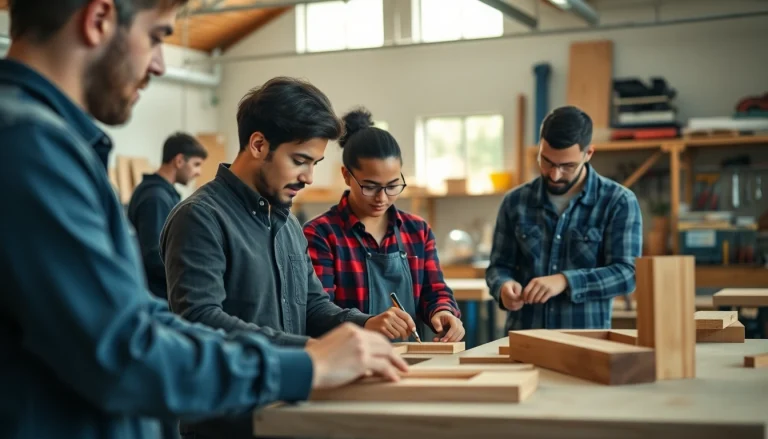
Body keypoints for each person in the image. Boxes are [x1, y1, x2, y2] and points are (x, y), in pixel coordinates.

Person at [0, 1, 408, 439]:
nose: (159, 65)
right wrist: (306, 361)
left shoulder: (52, 143)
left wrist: (349, 334)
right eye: (157, 36)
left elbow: (139, 321)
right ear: (98, 19)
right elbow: (126, 350)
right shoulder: (29, 145)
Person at [159, 78, 414, 438]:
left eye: (315, 163)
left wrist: (364, 324)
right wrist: (314, 352)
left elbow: (311, 305)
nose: (309, 177)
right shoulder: (200, 217)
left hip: (289, 415)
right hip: (228, 424)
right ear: (259, 144)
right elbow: (201, 320)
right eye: (300, 161)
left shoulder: (288, 222)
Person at [303, 108, 465, 343]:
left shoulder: (417, 232)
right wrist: (366, 322)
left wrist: (443, 311)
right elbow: (317, 313)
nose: (382, 198)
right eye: (370, 186)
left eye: (392, 186)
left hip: (411, 363)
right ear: (347, 176)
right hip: (349, 363)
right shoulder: (321, 234)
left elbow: (434, 290)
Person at [486, 106, 642, 330]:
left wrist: (566, 281)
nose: (554, 174)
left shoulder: (618, 202)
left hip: (585, 344)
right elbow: (498, 266)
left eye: (567, 166)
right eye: (546, 161)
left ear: (588, 154)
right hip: (525, 340)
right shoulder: (515, 202)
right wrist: (503, 286)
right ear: (540, 148)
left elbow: (627, 274)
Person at [128, 132, 207, 299]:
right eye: (196, 164)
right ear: (179, 161)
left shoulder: (163, 194)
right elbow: (154, 255)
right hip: (157, 296)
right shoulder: (156, 198)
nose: (199, 172)